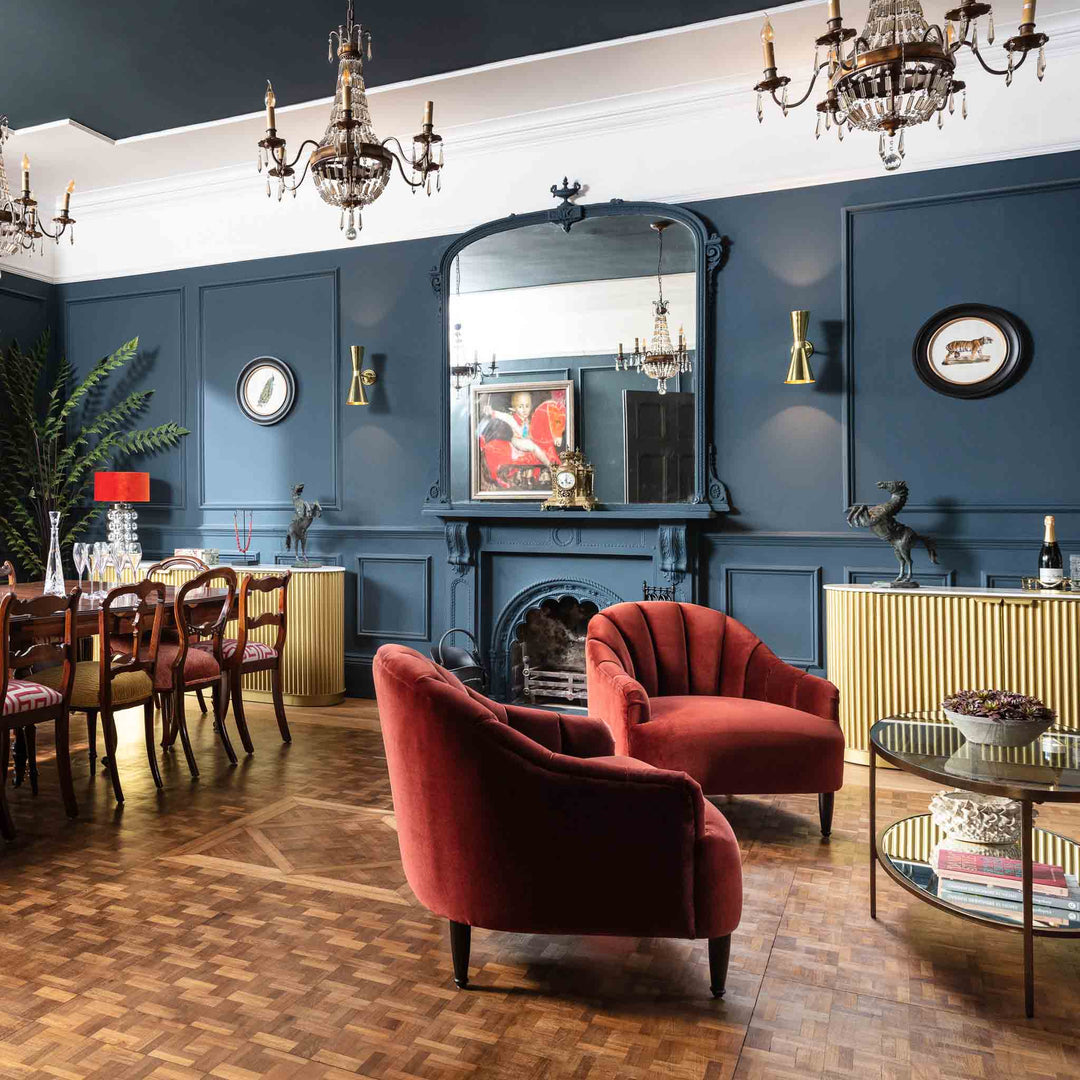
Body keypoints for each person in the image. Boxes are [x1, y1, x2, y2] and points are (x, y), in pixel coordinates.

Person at [481, 391, 553, 467]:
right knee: (533, 446)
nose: (524, 410)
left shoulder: (527, 420)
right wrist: (490, 411)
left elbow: (528, 433)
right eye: (520, 407)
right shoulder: (511, 418)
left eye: (527, 406)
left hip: (524, 441)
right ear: (514, 408)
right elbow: (502, 416)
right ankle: (550, 465)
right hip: (516, 441)